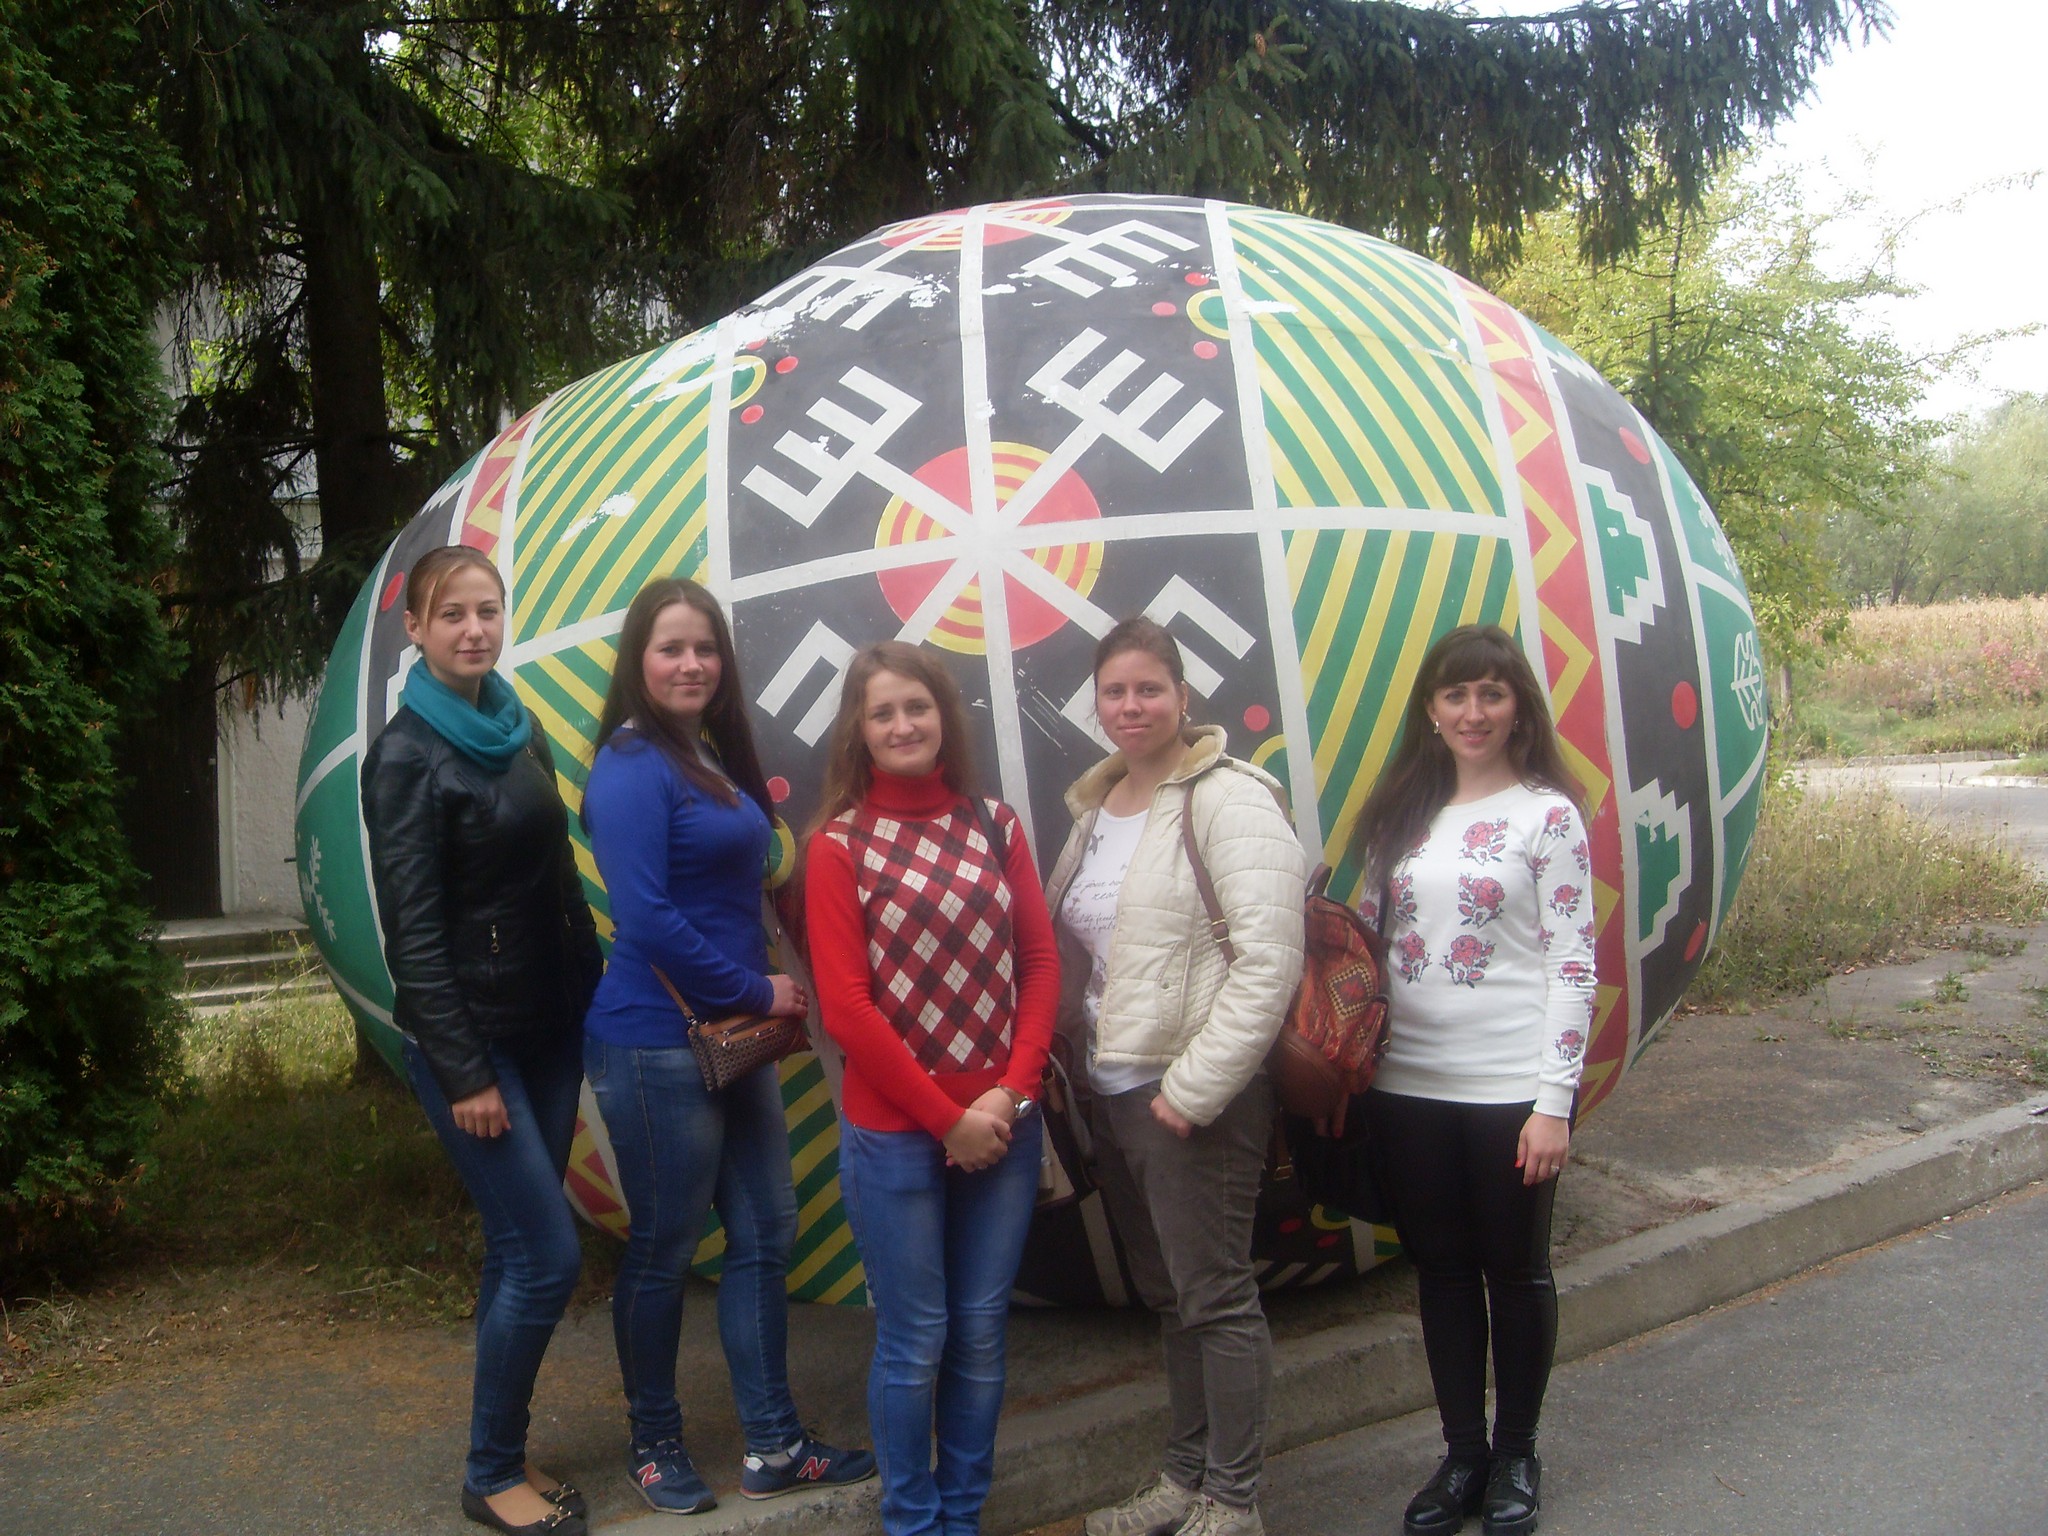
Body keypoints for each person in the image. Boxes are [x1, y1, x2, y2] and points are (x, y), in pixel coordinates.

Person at [579, 576, 874, 1514]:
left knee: (765, 1232)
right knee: (665, 1248)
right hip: (655, 1042)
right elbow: (645, 917)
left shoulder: (702, 755)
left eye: (705, 648)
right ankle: (655, 1444)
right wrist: (757, 991)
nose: (691, 663)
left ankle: (775, 1444)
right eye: (671, 647)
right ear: (638, 660)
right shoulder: (631, 765)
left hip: (731, 1041)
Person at [1044, 617, 1307, 1536]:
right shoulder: (1097, 809)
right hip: (1115, 1094)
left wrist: (1194, 1091)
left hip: (1192, 1095)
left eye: (1148, 689)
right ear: (1097, 702)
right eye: (1114, 691)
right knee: (1170, 1298)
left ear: (1183, 697)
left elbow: (1269, 962)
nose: (1131, 706)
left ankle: (1233, 1500)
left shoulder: (1231, 797)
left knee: (1217, 1296)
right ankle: (1183, 1479)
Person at [360, 546, 601, 1536]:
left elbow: (557, 876)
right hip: (473, 1048)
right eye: (451, 613)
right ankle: (490, 1473)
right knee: (546, 1256)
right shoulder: (405, 757)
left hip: (548, 1028)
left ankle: (505, 1444)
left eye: (488, 610)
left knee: (516, 1252)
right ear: (415, 629)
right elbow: (411, 934)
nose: (473, 629)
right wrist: (464, 1072)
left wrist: (592, 996)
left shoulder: (517, 726)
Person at [801, 641, 1061, 1536]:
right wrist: (948, 1120)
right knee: (916, 1342)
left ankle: (963, 1514)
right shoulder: (837, 846)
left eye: (917, 706)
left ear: (944, 715)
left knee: (981, 1332)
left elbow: (1038, 963)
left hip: (1002, 1127)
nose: (903, 724)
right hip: (898, 1135)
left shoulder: (996, 825)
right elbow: (847, 1008)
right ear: (859, 730)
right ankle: (912, 1521)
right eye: (883, 712)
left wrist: (1012, 1095)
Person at [1349, 624, 1597, 1536]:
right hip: (1408, 1086)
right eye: (1456, 694)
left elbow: (1574, 963)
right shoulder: (1402, 816)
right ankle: (1462, 1455)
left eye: (1492, 692)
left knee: (1516, 1272)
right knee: (1444, 1274)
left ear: (1518, 705)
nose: (1474, 711)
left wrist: (1553, 1103)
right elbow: (1366, 944)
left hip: (1509, 1090)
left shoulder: (1547, 816)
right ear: (1431, 709)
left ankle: (1517, 1453)